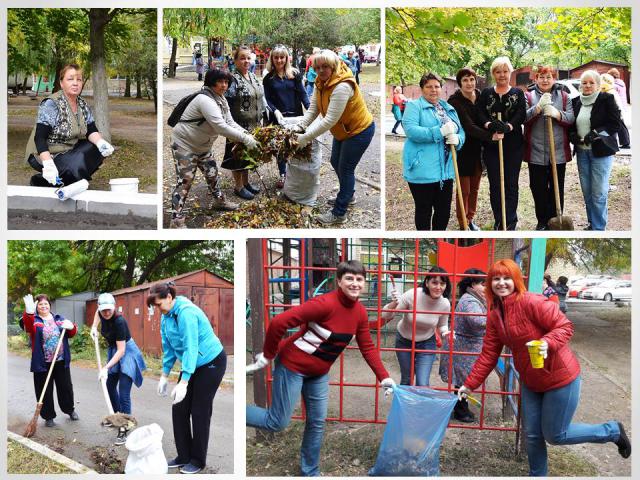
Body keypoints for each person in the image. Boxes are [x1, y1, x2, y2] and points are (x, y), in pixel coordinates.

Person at [458, 259, 631, 476]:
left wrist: (546, 343)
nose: (501, 283)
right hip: (531, 381)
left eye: (507, 278)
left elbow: (565, 326)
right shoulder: (495, 314)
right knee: (532, 435)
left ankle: (612, 431)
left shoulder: (532, 302)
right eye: (496, 279)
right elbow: (489, 353)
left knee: (555, 435)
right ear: (489, 283)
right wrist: (469, 384)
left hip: (560, 377)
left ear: (516, 280)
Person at [246, 260, 395, 476]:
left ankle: (310, 472)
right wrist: (268, 355)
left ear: (364, 283)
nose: (355, 283)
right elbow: (279, 322)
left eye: (359, 279)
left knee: (317, 422)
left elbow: (368, 347)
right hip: (292, 366)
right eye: (349, 278)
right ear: (339, 281)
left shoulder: (360, 313)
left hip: (319, 373)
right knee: (277, 422)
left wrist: (384, 377)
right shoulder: (325, 304)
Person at [149, 282, 227, 475]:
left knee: (199, 410)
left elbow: (191, 348)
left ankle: (198, 460)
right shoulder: (166, 317)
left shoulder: (186, 313)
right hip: (192, 364)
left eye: (159, 304)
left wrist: (184, 382)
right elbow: (169, 349)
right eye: (155, 307)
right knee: (179, 407)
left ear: (169, 297)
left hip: (211, 362)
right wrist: (164, 376)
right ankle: (183, 455)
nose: (158, 309)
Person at [293, 49, 376, 225]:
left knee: (345, 169)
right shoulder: (320, 82)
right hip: (343, 131)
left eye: (325, 67)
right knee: (334, 161)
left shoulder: (342, 86)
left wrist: (305, 138)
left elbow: (329, 120)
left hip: (358, 131)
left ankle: (339, 213)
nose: (321, 70)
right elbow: (314, 109)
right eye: (318, 67)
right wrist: (301, 126)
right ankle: (349, 195)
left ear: (334, 66)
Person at [169, 68, 259, 228]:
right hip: (185, 144)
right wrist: (245, 139)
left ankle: (219, 201)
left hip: (203, 146)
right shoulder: (205, 100)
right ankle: (176, 220)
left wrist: (247, 134)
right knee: (185, 181)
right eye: (220, 82)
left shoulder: (220, 99)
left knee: (212, 174)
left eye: (226, 82)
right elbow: (220, 126)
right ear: (211, 82)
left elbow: (229, 122)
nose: (224, 85)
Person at [24, 64, 114, 187]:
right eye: (70, 79)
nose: (75, 83)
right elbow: (39, 138)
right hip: (46, 153)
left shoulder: (82, 104)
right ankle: (42, 181)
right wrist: (48, 163)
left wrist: (101, 143)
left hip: (68, 149)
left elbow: (91, 130)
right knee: (77, 162)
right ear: (61, 83)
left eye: (79, 79)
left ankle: (66, 179)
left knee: (96, 150)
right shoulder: (52, 104)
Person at [401, 72, 465, 230]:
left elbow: (461, 130)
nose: (433, 89)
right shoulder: (415, 107)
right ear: (422, 89)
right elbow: (411, 130)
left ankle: (438, 239)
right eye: (429, 86)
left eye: (437, 86)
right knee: (424, 211)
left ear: (441, 89)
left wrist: (458, 139)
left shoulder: (448, 108)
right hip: (422, 171)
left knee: (443, 212)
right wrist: (439, 131)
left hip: (446, 172)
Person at [377, 266, 454, 386]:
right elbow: (385, 315)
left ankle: (419, 405)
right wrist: (393, 303)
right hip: (404, 340)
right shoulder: (412, 295)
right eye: (434, 282)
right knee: (407, 379)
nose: (438, 287)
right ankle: (404, 405)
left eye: (442, 283)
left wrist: (446, 333)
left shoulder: (444, 303)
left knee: (422, 383)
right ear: (427, 283)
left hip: (427, 342)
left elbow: (442, 325)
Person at [448, 68, 502, 230]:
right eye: (465, 80)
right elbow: (468, 126)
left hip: (479, 150)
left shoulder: (480, 97)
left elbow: (485, 116)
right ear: (460, 83)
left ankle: (470, 219)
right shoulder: (455, 102)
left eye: (471, 79)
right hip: (463, 149)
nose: (469, 83)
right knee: (464, 190)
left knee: (475, 189)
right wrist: (490, 136)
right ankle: (463, 222)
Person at [90, 293, 147, 445]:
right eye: (103, 310)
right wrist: (94, 327)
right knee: (109, 386)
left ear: (114, 307)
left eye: (109, 309)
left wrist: (105, 367)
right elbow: (97, 313)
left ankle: (125, 427)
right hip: (114, 351)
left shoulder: (119, 321)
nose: (106, 313)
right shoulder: (101, 312)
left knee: (123, 393)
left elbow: (122, 350)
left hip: (126, 352)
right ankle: (117, 417)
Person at [523, 66, 575, 230]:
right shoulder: (528, 96)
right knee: (537, 188)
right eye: (542, 77)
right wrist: (538, 108)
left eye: (549, 77)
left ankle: (555, 220)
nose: (545, 80)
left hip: (558, 151)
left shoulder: (565, 96)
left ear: (554, 79)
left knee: (556, 188)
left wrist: (557, 114)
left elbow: (571, 118)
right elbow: (523, 117)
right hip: (536, 152)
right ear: (536, 78)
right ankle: (542, 221)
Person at [568, 70, 621, 231]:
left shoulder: (606, 99)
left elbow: (615, 124)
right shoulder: (576, 101)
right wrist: (573, 137)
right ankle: (592, 223)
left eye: (591, 82)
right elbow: (571, 126)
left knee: (598, 192)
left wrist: (596, 133)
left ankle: (598, 228)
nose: (588, 85)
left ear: (598, 85)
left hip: (601, 153)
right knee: (587, 191)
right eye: (584, 83)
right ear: (580, 85)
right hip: (582, 153)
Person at [477, 57, 526, 230]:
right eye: (498, 72)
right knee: (495, 184)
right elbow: (480, 113)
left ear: (510, 72)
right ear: (493, 74)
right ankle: (499, 219)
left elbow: (521, 114)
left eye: (505, 71)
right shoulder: (486, 93)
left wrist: (509, 126)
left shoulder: (518, 93)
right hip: (492, 145)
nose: (502, 75)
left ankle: (510, 221)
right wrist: (490, 125)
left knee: (511, 184)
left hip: (513, 145)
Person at [22, 294, 79, 427]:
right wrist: (29, 312)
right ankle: (48, 417)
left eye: (45, 304)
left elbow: (70, 333)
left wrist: (72, 327)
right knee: (44, 390)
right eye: (40, 304)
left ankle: (70, 410)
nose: (43, 306)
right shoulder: (34, 320)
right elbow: (28, 326)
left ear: (50, 305)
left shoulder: (58, 319)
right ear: (37, 307)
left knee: (65, 388)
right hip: (42, 363)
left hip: (60, 360)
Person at [438, 268, 487, 423]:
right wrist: (497, 318)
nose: (486, 287)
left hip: (465, 347)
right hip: (464, 348)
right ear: (473, 284)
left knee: (463, 380)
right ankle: (461, 410)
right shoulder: (470, 301)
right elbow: (477, 321)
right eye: (483, 284)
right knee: (464, 380)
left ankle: (460, 408)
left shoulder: (470, 298)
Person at [263, 44, 310, 189]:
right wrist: (274, 110)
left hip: (296, 116)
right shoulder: (268, 78)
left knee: (296, 145)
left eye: (282, 57)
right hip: (279, 118)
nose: (279, 60)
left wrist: (310, 109)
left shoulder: (294, 74)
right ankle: (283, 174)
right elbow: (267, 98)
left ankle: (296, 174)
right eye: (276, 57)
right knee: (281, 148)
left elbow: (302, 93)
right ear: (272, 59)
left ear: (286, 58)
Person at [224, 45, 266, 201]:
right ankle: (238, 186)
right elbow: (226, 102)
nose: (246, 61)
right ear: (235, 61)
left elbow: (259, 97)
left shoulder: (253, 76)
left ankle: (246, 183)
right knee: (237, 157)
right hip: (238, 125)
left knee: (248, 156)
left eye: (248, 58)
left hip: (254, 124)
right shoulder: (232, 79)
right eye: (242, 58)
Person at [600, 73, 630, 149]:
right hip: (618, 111)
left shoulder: (610, 91)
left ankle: (622, 143)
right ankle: (624, 143)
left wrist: (619, 113)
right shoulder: (612, 89)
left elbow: (617, 103)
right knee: (620, 128)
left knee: (617, 128)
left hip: (616, 112)